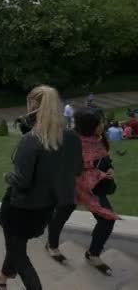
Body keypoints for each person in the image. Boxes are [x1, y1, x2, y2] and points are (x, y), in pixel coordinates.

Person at [0, 85, 83, 290]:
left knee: (17, 253)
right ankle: (0, 281)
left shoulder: (31, 140)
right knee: (16, 247)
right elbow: (77, 169)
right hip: (47, 207)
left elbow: (21, 180)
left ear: (32, 105)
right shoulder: (72, 137)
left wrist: (7, 176)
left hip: (20, 207)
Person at [46, 108, 120, 275]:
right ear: (89, 126)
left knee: (107, 219)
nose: (103, 124)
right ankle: (52, 245)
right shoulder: (70, 141)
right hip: (71, 185)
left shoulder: (99, 138)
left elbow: (105, 159)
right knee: (61, 215)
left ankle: (93, 254)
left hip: (94, 186)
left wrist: (109, 169)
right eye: (99, 122)